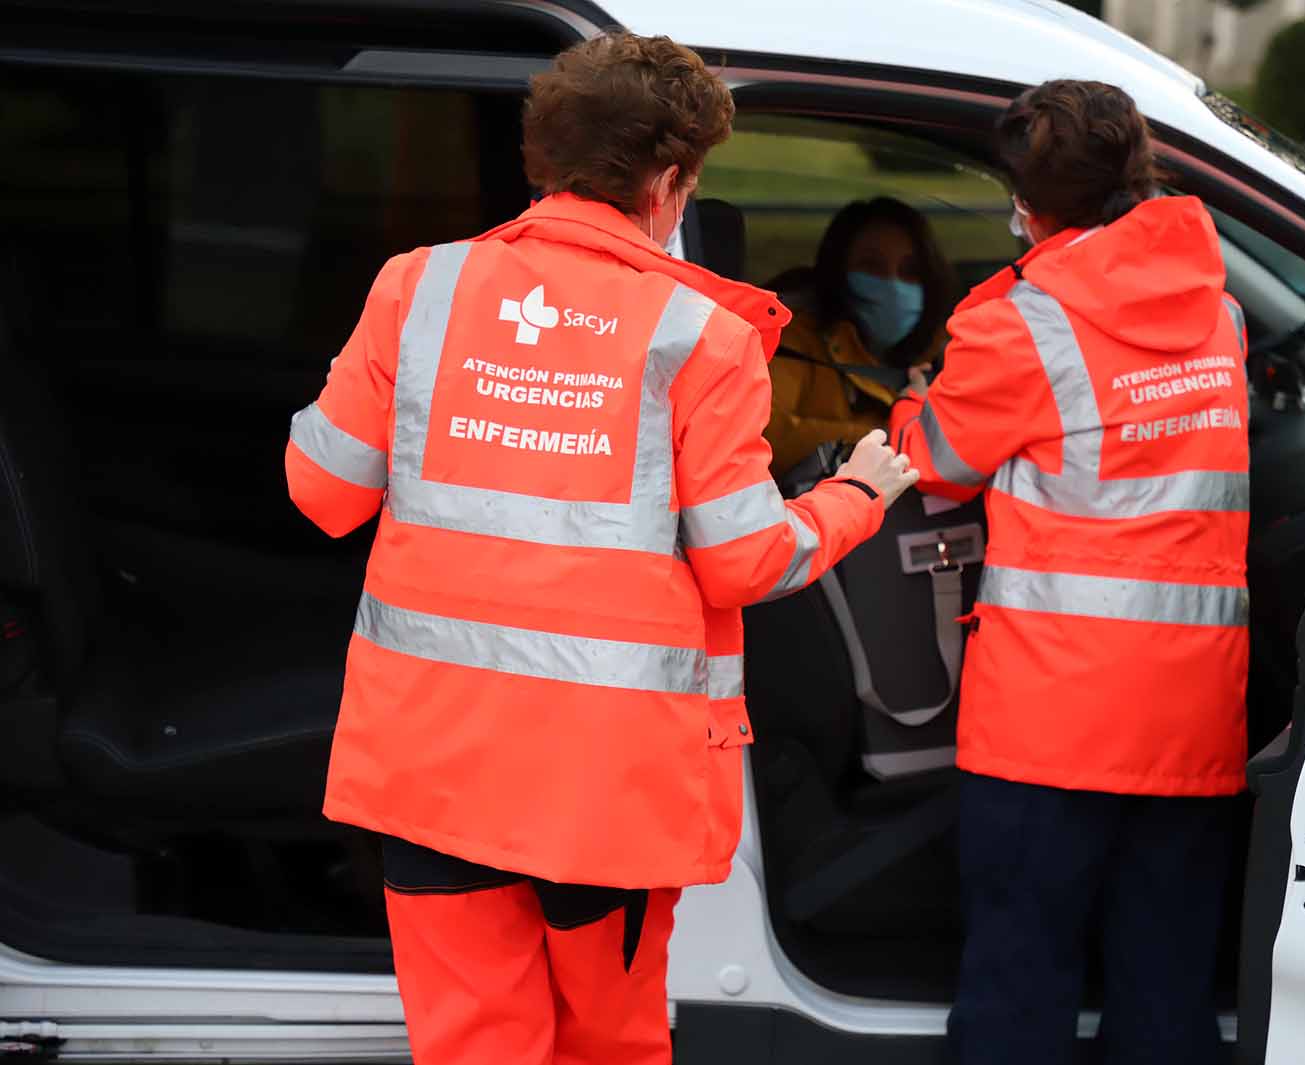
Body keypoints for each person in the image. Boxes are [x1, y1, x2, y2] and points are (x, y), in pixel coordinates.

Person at [284, 32, 918, 1065]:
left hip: (434, 761)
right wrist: (855, 493)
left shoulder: (415, 291)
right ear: (671, 180)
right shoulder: (698, 336)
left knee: (472, 1044)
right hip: (604, 784)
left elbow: (322, 490)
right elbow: (746, 560)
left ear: (546, 157)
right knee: (606, 1045)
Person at [889, 80, 1250, 1064]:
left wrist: (912, 405)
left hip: (1049, 725)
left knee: (1019, 983)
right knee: (1166, 995)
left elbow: (938, 465)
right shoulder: (1218, 313)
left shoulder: (1019, 324)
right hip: (1189, 717)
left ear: (1027, 202)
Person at [765, 197, 955, 476]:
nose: (893, 283)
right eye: (872, 266)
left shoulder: (948, 351)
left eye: (910, 271)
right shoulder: (791, 342)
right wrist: (891, 436)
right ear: (839, 271)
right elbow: (765, 437)